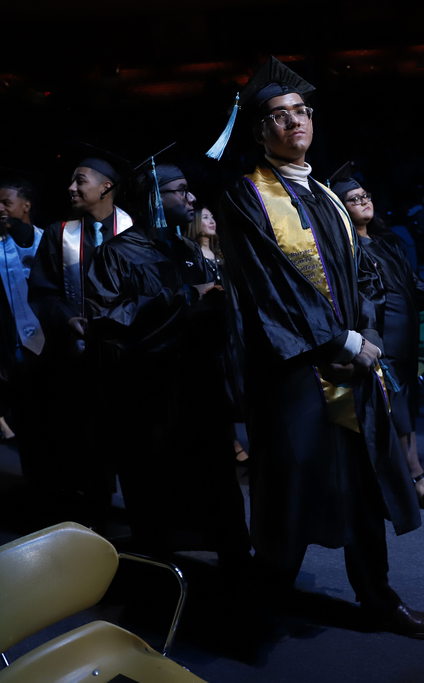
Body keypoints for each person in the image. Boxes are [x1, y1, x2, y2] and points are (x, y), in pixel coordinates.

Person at [213, 56, 424, 638]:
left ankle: (378, 598)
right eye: (279, 115)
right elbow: (269, 283)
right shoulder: (246, 197)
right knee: (293, 487)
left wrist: (364, 333)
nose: (294, 122)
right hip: (293, 371)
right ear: (259, 130)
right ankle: (264, 601)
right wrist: (339, 339)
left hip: (353, 365)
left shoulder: (325, 193)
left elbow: (362, 275)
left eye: (301, 112)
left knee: (365, 483)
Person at [86, 158, 250, 565]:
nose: (192, 197)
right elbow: (108, 318)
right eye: (180, 189)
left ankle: (233, 568)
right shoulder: (115, 254)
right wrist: (187, 297)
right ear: (153, 199)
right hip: (150, 397)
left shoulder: (187, 250)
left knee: (215, 482)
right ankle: (159, 576)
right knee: (157, 485)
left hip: (201, 387)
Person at [332, 178, 424, 507]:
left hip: (406, 332)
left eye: (365, 195)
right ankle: (413, 475)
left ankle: (405, 473)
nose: (363, 201)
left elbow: (409, 280)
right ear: (341, 210)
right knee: (395, 403)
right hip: (382, 334)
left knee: (405, 403)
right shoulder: (347, 250)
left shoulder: (385, 241)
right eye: (354, 199)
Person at [27, 156, 133, 524]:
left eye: (79, 181)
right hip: (75, 359)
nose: (70, 188)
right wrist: (66, 318)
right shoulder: (58, 234)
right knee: (82, 441)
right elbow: (42, 292)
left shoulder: (136, 231)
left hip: (126, 360)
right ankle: (90, 516)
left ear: (106, 187)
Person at [0, 179, 50, 480]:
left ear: (26, 205)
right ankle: (36, 489)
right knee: (27, 424)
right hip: (16, 350)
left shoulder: (50, 239)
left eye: (6, 202)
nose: (0, 208)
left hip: (53, 346)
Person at [186, 205, 248, 464]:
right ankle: (231, 441)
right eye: (206, 217)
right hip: (210, 327)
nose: (211, 221)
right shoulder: (190, 255)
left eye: (214, 216)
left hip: (234, 323)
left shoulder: (223, 254)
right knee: (221, 384)